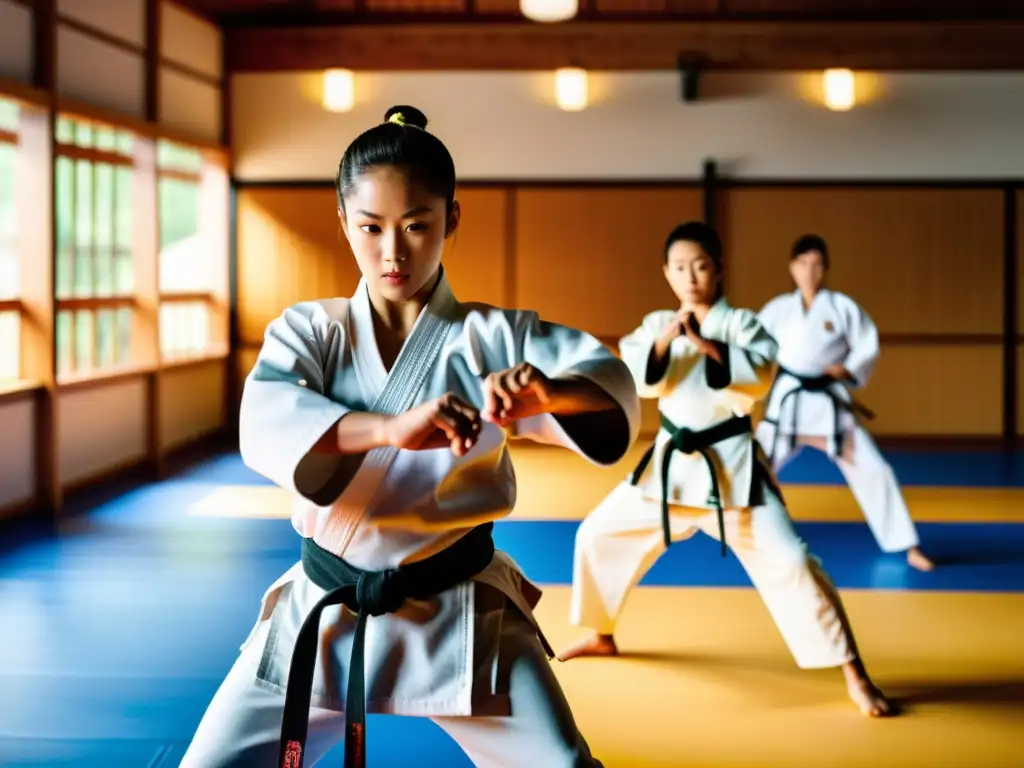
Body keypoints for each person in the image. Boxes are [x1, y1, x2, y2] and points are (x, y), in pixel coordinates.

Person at [179, 105, 641, 768]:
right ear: (343, 221)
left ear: (452, 218)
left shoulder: (494, 338)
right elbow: (266, 416)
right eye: (370, 227)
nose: (393, 252)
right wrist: (390, 428)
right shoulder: (311, 331)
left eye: (417, 225)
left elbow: (605, 377)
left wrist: (550, 394)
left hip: (461, 610)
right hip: (327, 607)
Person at [557, 222, 894, 719]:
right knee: (596, 536)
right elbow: (637, 380)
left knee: (795, 563)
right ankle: (602, 633)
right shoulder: (656, 325)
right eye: (679, 267)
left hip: (732, 473)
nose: (690, 277)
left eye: (700, 265)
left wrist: (710, 346)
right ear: (666, 273)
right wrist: (670, 341)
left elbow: (759, 376)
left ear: (718, 269)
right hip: (669, 472)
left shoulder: (743, 325)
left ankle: (855, 673)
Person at [755, 235, 934, 572]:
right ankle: (745, 535)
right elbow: (753, 350)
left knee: (875, 469)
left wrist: (848, 368)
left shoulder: (842, 307)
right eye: (803, 264)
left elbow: (867, 344)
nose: (809, 271)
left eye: (816, 264)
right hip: (788, 405)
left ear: (825, 269)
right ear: (792, 268)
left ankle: (907, 544)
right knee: (754, 467)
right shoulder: (778, 309)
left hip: (828, 407)